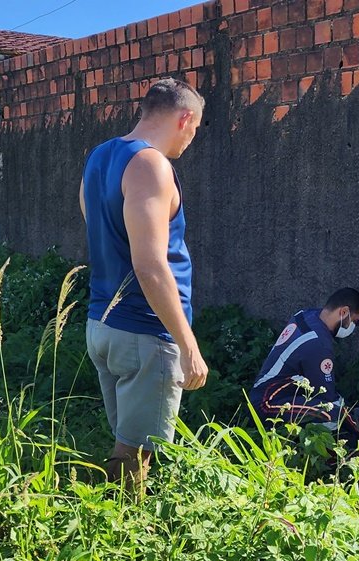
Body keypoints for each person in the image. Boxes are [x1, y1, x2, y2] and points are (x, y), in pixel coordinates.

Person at [80, 78, 208, 490]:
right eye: (194, 128)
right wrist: (188, 346)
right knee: (136, 452)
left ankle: (112, 513)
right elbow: (150, 266)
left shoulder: (100, 157)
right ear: (184, 118)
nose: (191, 138)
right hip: (144, 332)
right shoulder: (151, 165)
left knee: (126, 439)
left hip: (103, 324)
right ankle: (123, 524)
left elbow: (98, 227)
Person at [249, 287, 359, 435]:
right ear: (343, 312)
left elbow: (350, 317)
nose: (353, 326)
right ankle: (343, 446)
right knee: (331, 413)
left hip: (268, 392)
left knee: (335, 408)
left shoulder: (306, 315)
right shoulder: (319, 346)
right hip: (268, 405)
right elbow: (328, 400)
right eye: (353, 322)